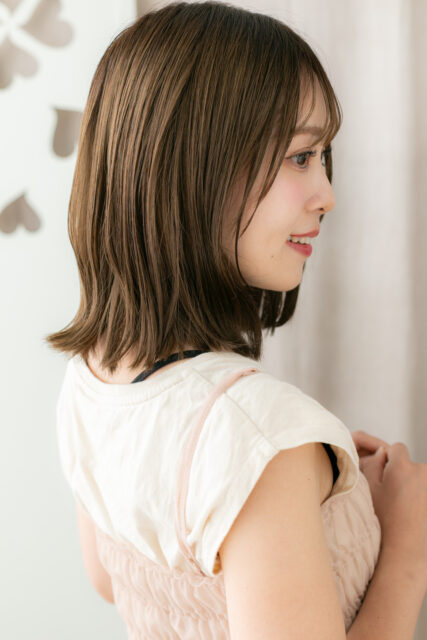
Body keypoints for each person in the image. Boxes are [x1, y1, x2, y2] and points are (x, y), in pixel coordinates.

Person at [45, 2, 427, 638]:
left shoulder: (93, 375)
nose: (327, 194)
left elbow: (108, 578)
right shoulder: (260, 440)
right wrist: (408, 546)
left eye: (323, 156)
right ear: (194, 168)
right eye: (301, 156)